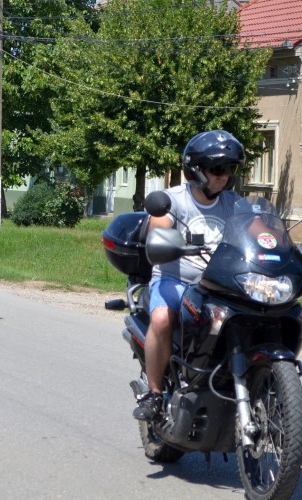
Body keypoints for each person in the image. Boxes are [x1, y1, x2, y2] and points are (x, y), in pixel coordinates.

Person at [133, 130, 245, 421]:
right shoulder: (173, 200)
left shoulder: (234, 203)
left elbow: (258, 231)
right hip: (175, 281)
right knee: (161, 318)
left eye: (229, 169)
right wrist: (163, 238)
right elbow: (159, 228)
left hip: (220, 284)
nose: (224, 176)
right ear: (196, 171)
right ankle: (155, 394)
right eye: (217, 169)